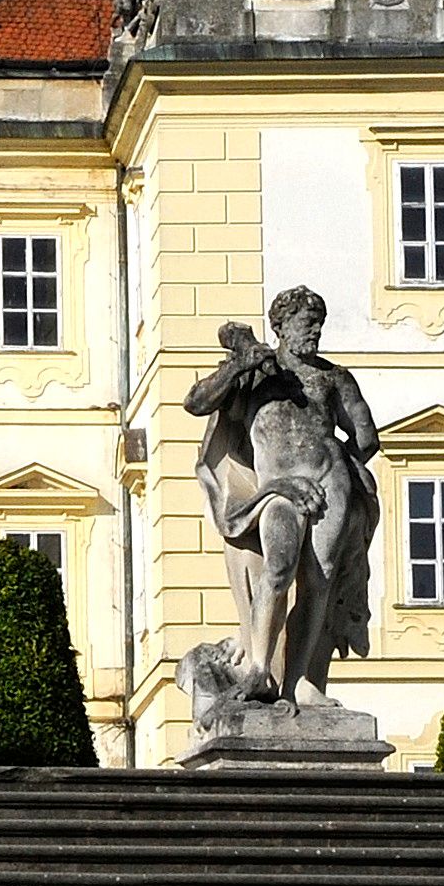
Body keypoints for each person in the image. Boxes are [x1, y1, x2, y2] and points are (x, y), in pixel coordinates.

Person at [181, 286, 378, 697]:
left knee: (319, 580)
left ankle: (300, 681)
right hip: (277, 490)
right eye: (308, 323)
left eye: (319, 323)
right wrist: (237, 367)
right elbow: (196, 402)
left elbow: (366, 436)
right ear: (282, 327)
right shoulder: (258, 374)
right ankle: (258, 667)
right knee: (279, 570)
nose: (316, 332)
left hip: (330, 484)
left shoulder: (333, 377)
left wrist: (334, 461)